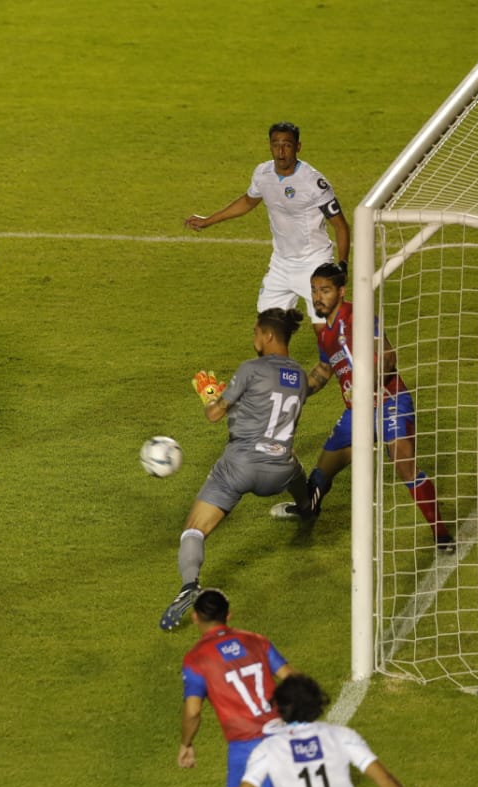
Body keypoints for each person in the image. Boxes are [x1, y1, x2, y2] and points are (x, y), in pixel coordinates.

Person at [270, 263, 454, 551]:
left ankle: (441, 534)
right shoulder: (324, 331)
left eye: (326, 290)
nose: (318, 297)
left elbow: (389, 357)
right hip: (356, 413)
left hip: (389, 401)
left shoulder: (357, 316)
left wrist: (368, 384)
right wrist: (296, 394)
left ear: (341, 291)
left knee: (405, 466)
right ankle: (308, 510)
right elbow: (323, 369)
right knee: (322, 470)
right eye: (315, 290)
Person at [159, 309, 315, 631]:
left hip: (239, 468)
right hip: (280, 471)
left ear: (268, 336)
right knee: (294, 466)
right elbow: (270, 405)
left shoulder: (250, 369)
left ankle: (189, 586)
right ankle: (307, 505)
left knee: (194, 529)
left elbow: (215, 415)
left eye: (256, 332)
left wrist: (211, 397)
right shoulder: (299, 375)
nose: (254, 338)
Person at [231, 674, 438, 787]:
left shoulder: (269, 748)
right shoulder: (342, 737)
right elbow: (384, 777)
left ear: (281, 708)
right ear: (318, 703)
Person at [185, 122, 350, 325]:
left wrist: (342, 265)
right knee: (269, 329)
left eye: (287, 145)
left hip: (313, 264)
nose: (281, 152)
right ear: (270, 145)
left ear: (298, 147)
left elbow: (340, 225)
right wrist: (208, 220)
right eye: (275, 144)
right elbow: (248, 201)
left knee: (324, 332)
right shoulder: (263, 174)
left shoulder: (313, 182)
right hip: (280, 264)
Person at [180, 589, 294, 787]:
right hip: (282, 737)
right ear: (228, 615)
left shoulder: (196, 659)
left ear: (195, 617)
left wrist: (186, 744)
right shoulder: (256, 641)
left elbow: (193, 711)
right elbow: (291, 678)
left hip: (247, 748)